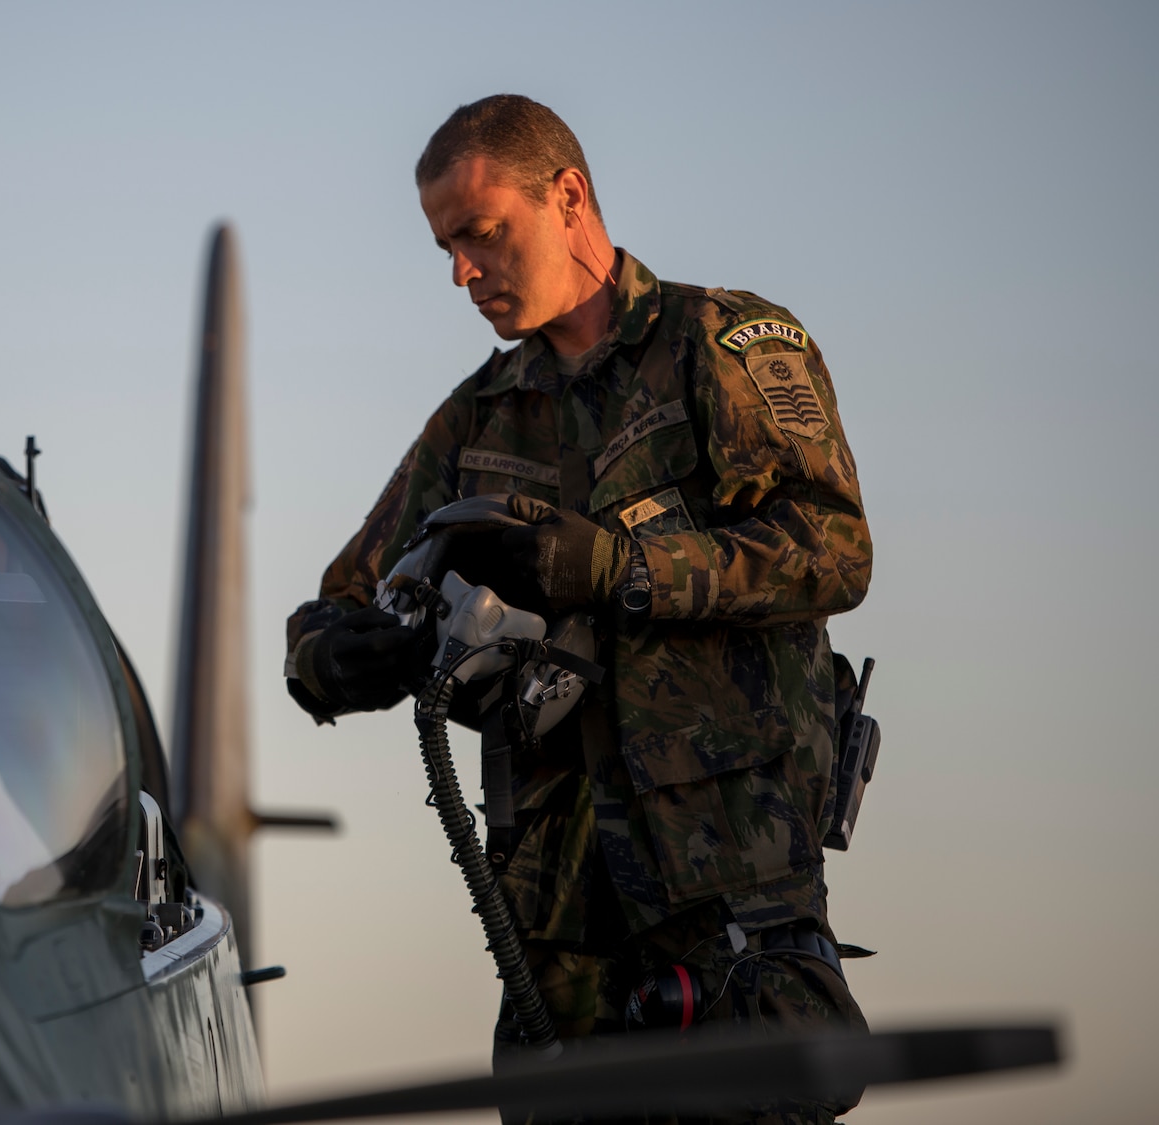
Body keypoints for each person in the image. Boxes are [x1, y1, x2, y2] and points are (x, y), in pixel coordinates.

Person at [284, 94, 872, 1123]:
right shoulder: (475, 414)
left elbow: (831, 550)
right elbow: (339, 599)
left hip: (725, 906)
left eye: (481, 234)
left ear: (567, 197)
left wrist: (617, 569)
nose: (462, 273)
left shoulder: (719, 344)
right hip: (553, 936)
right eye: (444, 247)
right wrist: (332, 658)